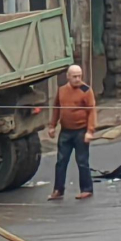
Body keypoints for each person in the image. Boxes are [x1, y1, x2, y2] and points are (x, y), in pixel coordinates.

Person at [48, 64, 96, 200]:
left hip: (81, 130)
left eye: (79, 76)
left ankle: (87, 189)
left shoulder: (86, 90)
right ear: (68, 77)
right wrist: (52, 126)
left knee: (82, 161)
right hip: (65, 131)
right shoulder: (62, 90)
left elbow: (91, 111)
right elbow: (56, 108)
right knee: (61, 161)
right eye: (74, 76)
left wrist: (90, 131)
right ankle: (58, 189)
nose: (77, 79)